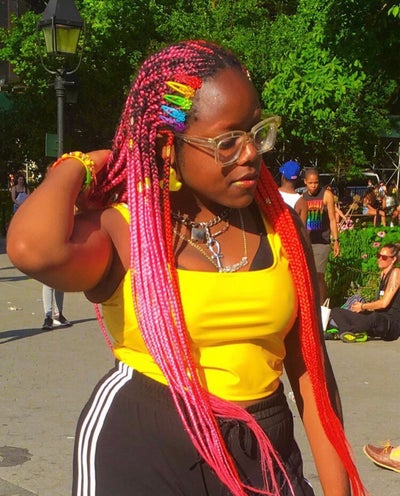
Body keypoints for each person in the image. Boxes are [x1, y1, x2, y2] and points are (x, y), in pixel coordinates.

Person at [6, 40, 366, 496]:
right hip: (143, 448)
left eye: (257, 131)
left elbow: (313, 374)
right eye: (227, 141)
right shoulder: (127, 229)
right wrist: (82, 164)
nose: (251, 153)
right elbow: (31, 249)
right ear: (167, 146)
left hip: (262, 448)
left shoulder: (281, 228)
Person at [330, 243, 400, 342]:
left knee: (374, 318)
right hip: (376, 319)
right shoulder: (382, 275)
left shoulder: (396, 272)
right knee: (336, 311)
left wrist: (363, 306)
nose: (380, 259)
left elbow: (384, 303)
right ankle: (349, 332)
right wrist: (362, 309)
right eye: (378, 256)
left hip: (389, 324)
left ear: (393, 259)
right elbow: (377, 303)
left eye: (384, 257)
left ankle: (344, 332)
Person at [302, 169, 340, 304]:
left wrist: (336, 241)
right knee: (307, 276)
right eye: (310, 183)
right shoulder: (302, 197)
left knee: (318, 275)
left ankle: (321, 305)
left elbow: (332, 219)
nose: (314, 186)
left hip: (322, 241)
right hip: (307, 242)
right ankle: (309, 303)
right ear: (305, 182)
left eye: (316, 183)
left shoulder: (326, 195)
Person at [278, 160, 308, 225]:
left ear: (283, 177)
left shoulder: (272, 194)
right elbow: (302, 229)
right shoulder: (302, 203)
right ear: (297, 179)